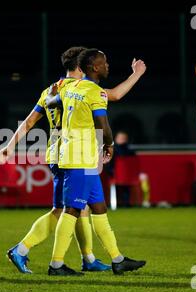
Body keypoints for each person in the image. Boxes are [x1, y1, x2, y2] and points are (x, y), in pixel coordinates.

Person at [0, 47, 146, 274]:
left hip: (60, 153)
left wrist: (10, 145)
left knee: (83, 207)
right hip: (74, 154)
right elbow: (115, 95)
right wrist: (136, 74)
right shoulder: (84, 89)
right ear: (81, 66)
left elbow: (29, 122)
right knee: (66, 209)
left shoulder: (52, 90)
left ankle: (89, 258)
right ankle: (23, 250)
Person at [45, 48, 146, 275]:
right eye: (104, 62)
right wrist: (109, 145)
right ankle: (56, 264)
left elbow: (51, 102)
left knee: (99, 207)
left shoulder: (70, 87)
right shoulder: (95, 93)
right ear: (94, 68)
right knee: (71, 210)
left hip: (83, 158)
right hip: (79, 158)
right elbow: (103, 124)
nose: (107, 65)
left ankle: (117, 259)